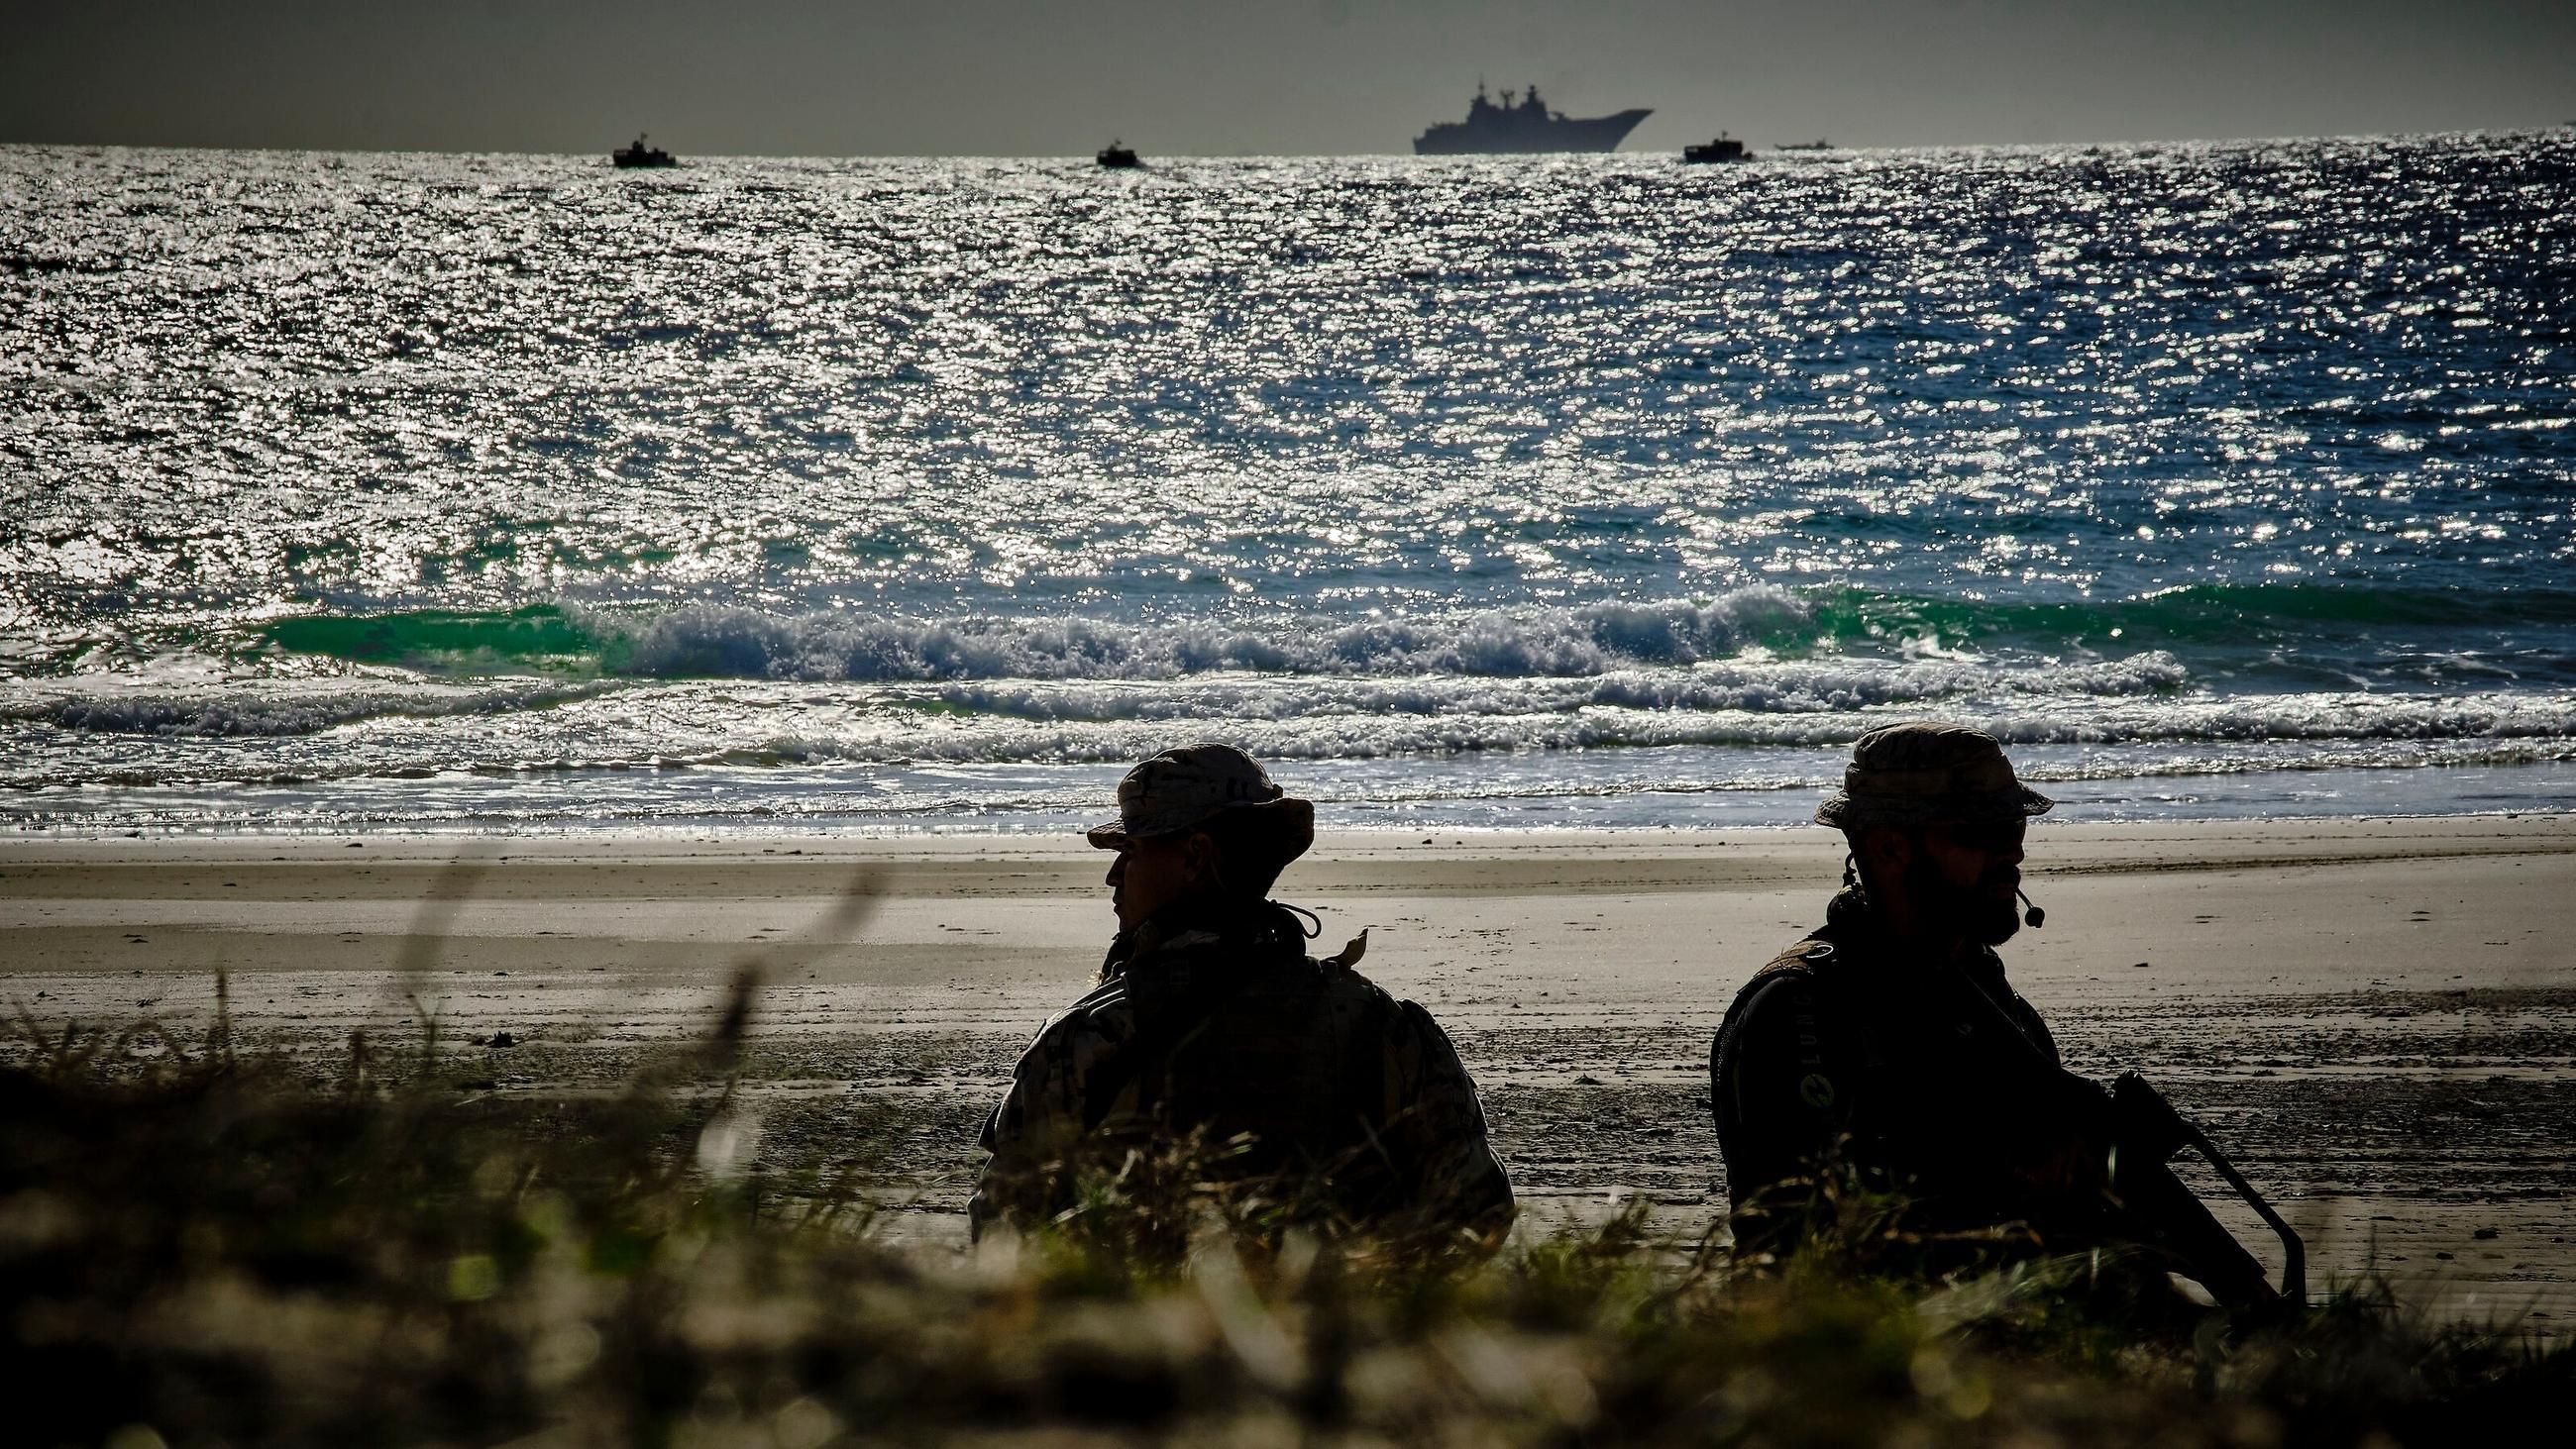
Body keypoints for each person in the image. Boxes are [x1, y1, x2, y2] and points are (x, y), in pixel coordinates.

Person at [1709, 722, 2278, 1304]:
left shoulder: (1986, 997)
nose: (2013, 851)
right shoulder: (1799, 1009)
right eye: (1981, 832)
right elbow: (1806, 1248)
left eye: (2015, 827)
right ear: (1888, 847)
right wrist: (2011, 1177)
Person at [970, 744, 1515, 1246]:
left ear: (1194, 856)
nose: (1114, 875)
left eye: (1131, 850)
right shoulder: (1381, 1024)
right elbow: (1477, 1212)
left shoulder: (1093, 1034)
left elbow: (1005, 1230)